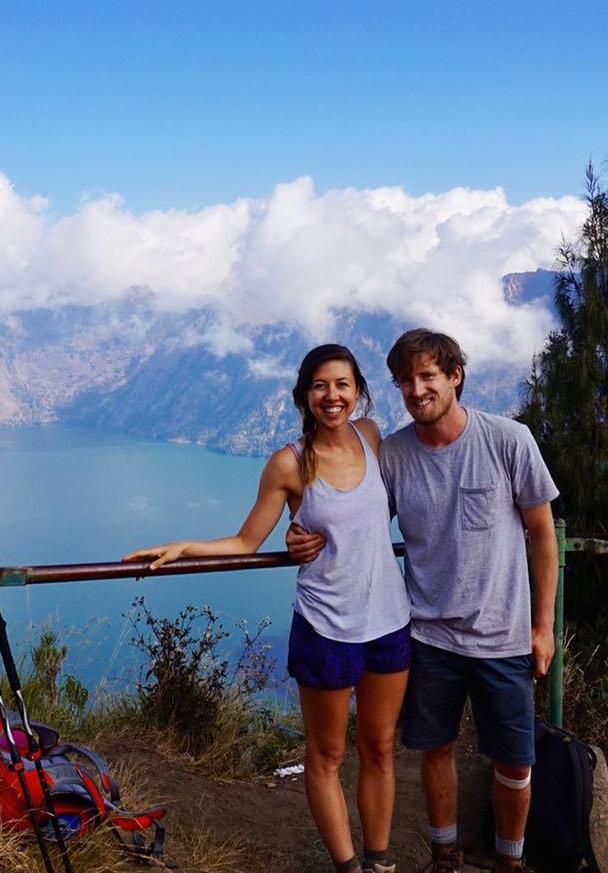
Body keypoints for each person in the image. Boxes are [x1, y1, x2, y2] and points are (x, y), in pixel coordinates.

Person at [124, 344, 411, 873]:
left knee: (381, 747)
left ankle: (381, 862)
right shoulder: (290, 461)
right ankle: (349, 867)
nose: (333, 396)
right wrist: (183, 546)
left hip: (389, 621)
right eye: (321, 386)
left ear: (358, 391)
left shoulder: (371, 438)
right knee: (326, 756)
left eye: (343, 384)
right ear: (304, 394)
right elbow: (244, 541)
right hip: (326, 624)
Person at [298, 329, 558, 873]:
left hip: (502, 635)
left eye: (428, 377)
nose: (417, 390)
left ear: (454, 376)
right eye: (405, 381)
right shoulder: (391, 453)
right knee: (434, 750)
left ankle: (510, 860)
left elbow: (542, 532)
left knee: (515, 762)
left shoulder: (509, 440)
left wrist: (542, 627)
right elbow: (358, 516)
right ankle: (446, 857)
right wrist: (301, 532)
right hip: (427, 635)